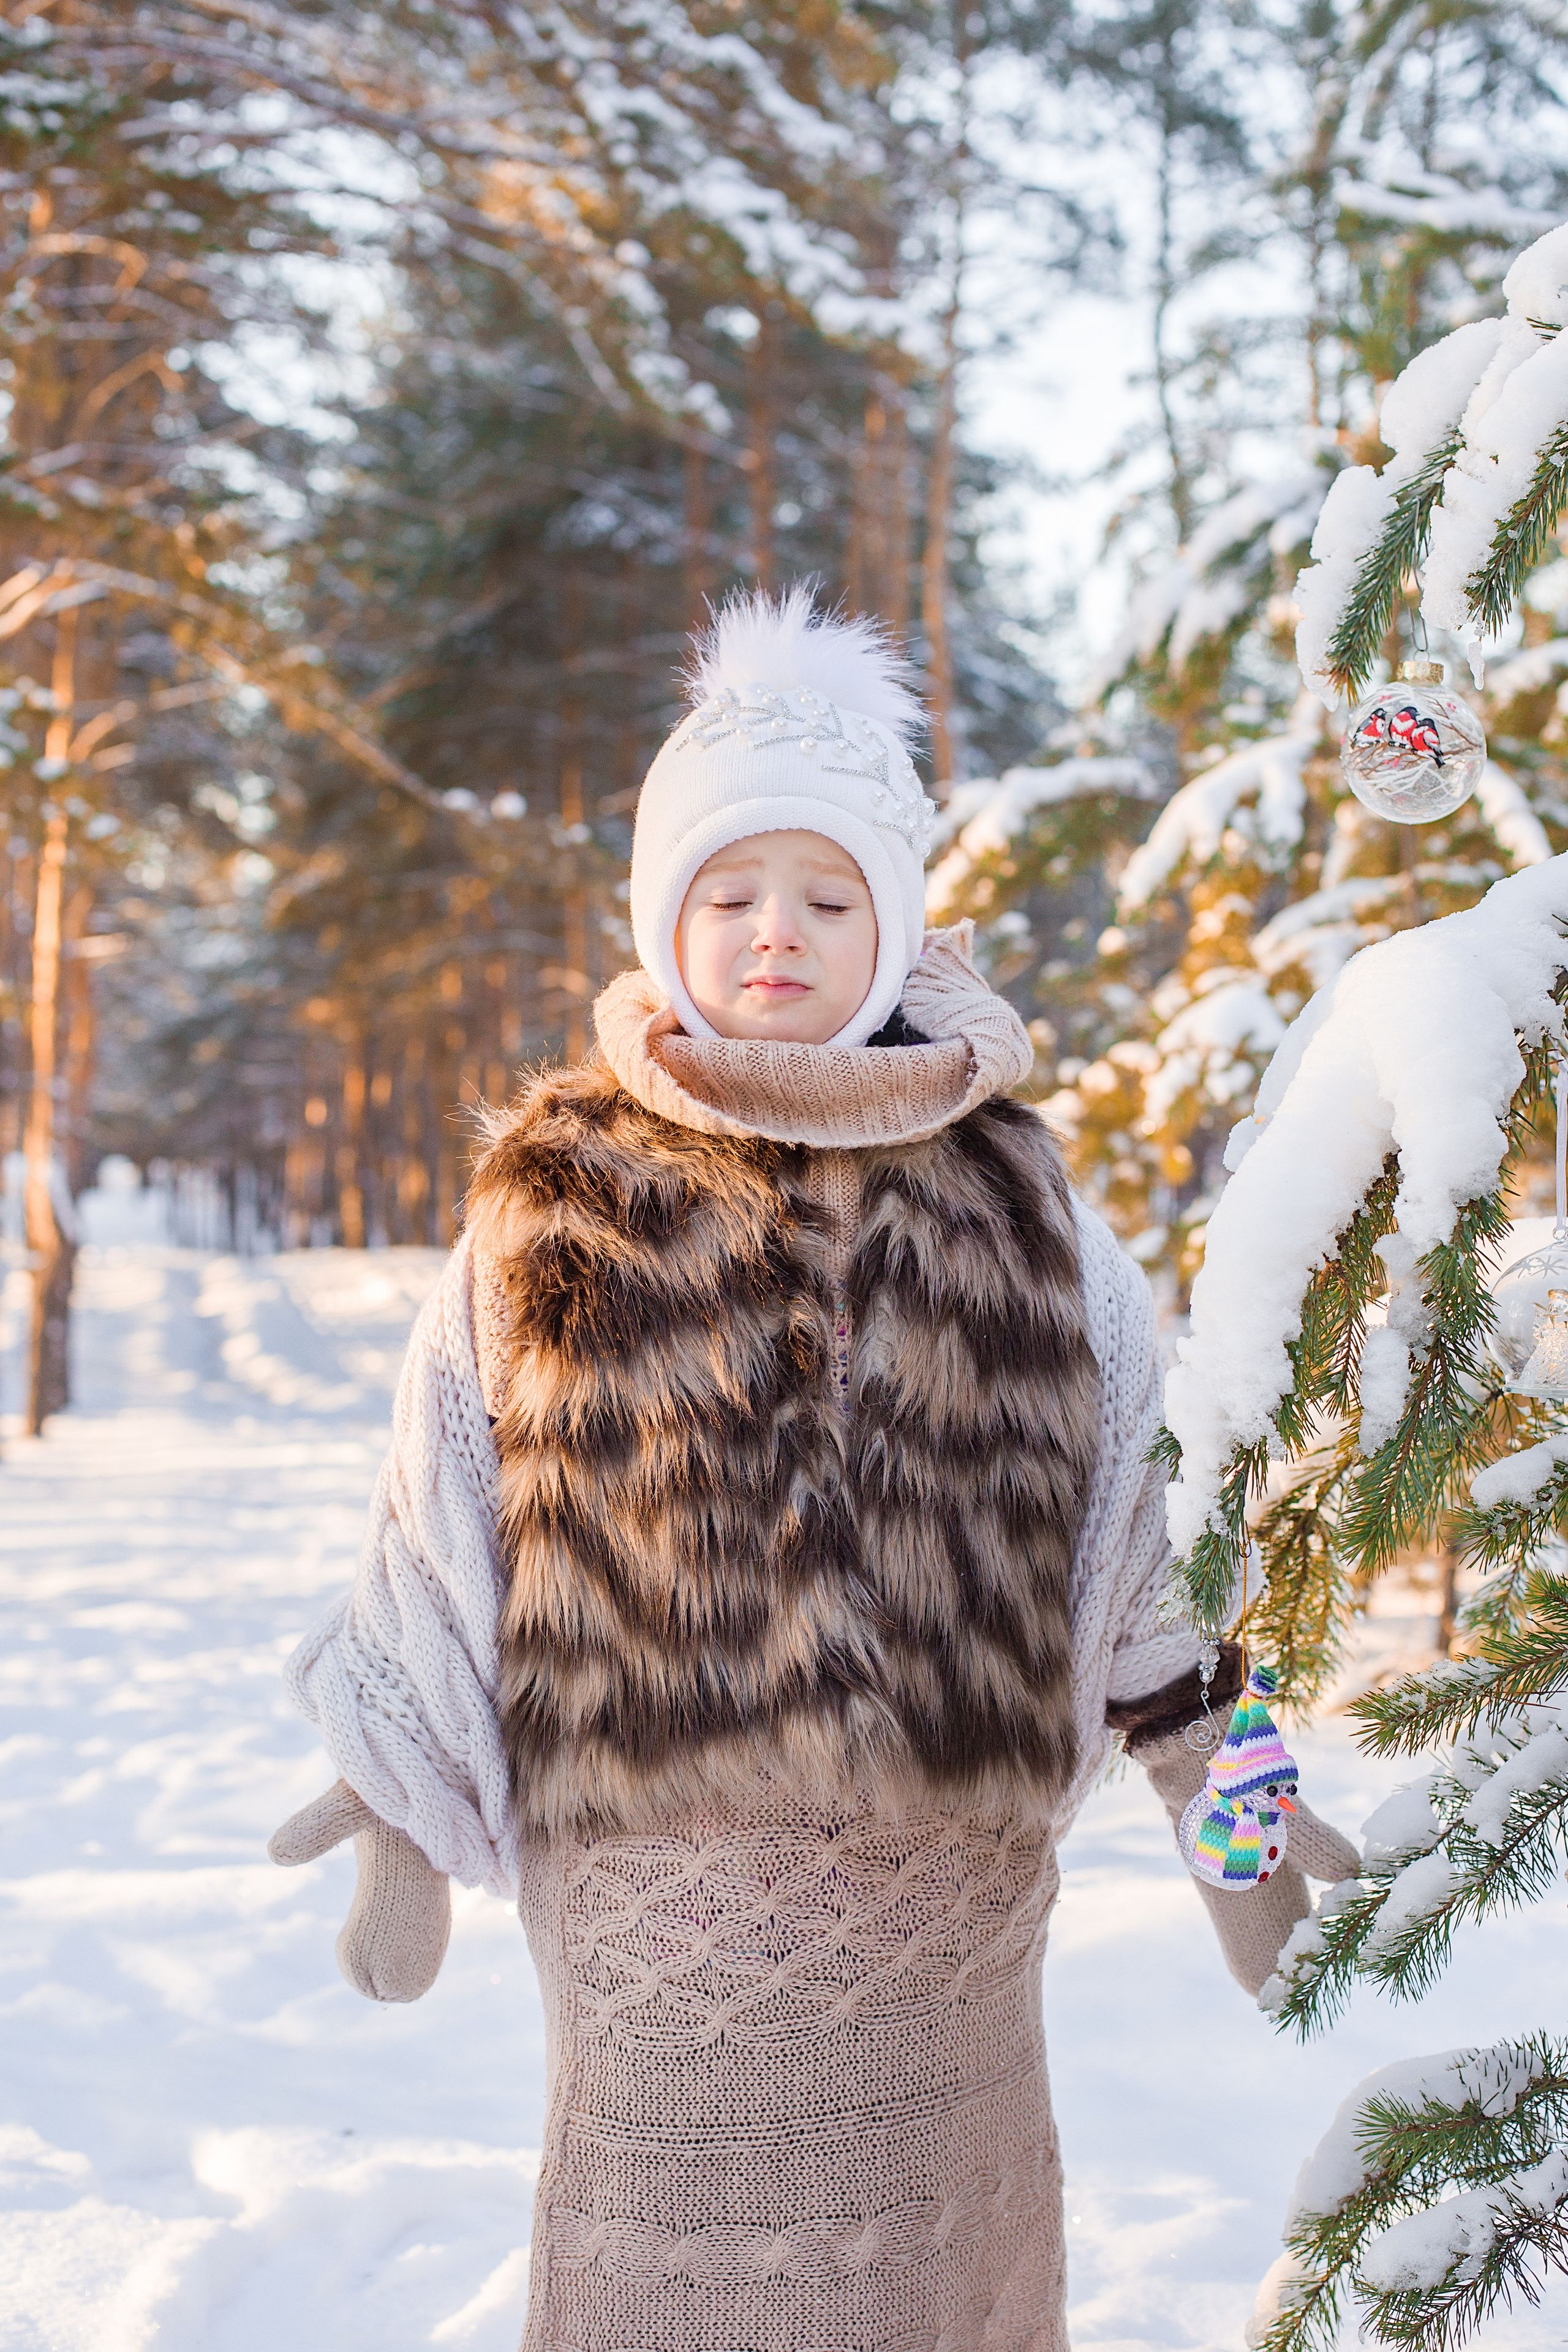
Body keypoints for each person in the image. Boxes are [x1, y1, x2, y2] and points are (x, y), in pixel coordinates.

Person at [270, 586, 1359, 2351]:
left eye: (831, 895)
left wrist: (1225, 1786)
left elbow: (1140, 1534)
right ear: (664, 917)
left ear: (898, 922)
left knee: (939, 2283)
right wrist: (401, 1780)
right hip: (653, 1915)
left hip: (944, 1915)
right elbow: (443, 1491)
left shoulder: (1023, 1206)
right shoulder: (554, 1199)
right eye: (732, 891)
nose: (779, 932)